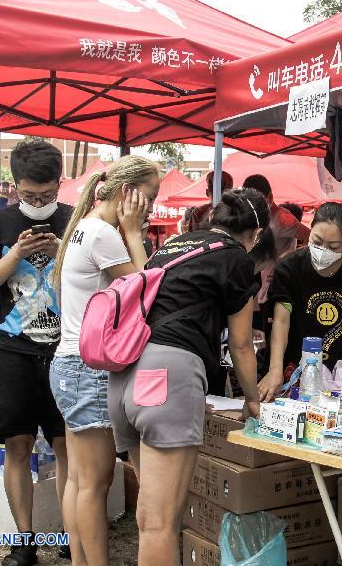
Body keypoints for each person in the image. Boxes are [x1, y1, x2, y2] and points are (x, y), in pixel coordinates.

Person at [108, 188, 266, 566]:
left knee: (149, 515)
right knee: (161, 523)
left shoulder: (175, 246)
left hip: (125, 378)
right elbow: (242, 345)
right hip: (167, 378)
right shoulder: (236, 260)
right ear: (256, 235)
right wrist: (253, 400)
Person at [50, 156, 160, 566]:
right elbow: (145, 292)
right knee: (94, 484)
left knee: (80, 480)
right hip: (88, 369)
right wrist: (134, 232)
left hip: (69, 364)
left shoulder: (84, 227)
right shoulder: (105, 235)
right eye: (147, 197)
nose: (150, 206)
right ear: (125, 192)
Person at [0, 140, 73, 566]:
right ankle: (24, 542)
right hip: (14, 352)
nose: (38, 203)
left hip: (67, 351)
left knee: (68, 446)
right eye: (30, 196)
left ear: (59, 185)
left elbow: (104, 282)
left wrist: (59, 254)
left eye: (47, 195)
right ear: (15, 185)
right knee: (18, 444)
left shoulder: (75, 218)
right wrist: (16, 254)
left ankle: (73, 533)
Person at [260, 203, 342, 401]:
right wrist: (275, 370)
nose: (323, 250)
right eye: (316, 241)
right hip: (296, 370)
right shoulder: (289, 268)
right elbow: (281, 322)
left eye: (333, 246)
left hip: (341, 373)